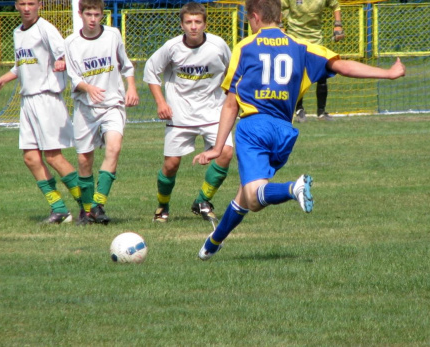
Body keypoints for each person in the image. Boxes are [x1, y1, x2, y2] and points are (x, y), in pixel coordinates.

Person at [192, 0, 405, 260]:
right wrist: (388, 73)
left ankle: (294, 188)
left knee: (255, 198)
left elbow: (230, 103)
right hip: (284, 132)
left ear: (255, 17)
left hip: (254, 128)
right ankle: (211, 245)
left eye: (249, 20)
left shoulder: (245, 47)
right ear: (281, 16)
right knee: (245, 196)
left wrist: (217, 147)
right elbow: (343, 66)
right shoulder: (302, 48)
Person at [0, 0, 82, 224]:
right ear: (16, 6)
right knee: (31, 158)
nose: (27, 7)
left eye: (31, 3)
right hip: (28, 100)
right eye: (22, 3)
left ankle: (88, 208)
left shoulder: (46, 28)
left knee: (53, 157)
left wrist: (61, 62)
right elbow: (22, 64)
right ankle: (59, 210)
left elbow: (66, 54)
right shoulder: (17, 32)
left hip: (47, 98)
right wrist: (2, 79)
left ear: (39, 4)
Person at [143, 2, 234, 224]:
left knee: (226, 153)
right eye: (189, 22)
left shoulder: (218, 46)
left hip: (213, 112)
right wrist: (161, 103)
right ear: (182, 24)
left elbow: (233, 73)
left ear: (205, 23)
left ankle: (202, 201)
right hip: (180, 114)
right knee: (171, 164)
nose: (193, 26)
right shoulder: (172, 47)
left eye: (198, 22)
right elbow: (151, 71)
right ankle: (162, 206)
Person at [64, 0, 139, 225]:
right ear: (81, 14)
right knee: (84, 160)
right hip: (85, 108)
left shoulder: (113, 35)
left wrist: (132, 87)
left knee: (114, 148)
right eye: (89, 14)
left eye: (97, 14)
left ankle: (97, 204)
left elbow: (126, 65)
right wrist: (88, 88)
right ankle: (87, 210)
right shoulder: (71, 42)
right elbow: (74, 77)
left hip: (113, 104)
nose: (93, 19)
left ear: (102, 15)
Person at [281, 0, 345, 122]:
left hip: (316, 41)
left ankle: (321, 112)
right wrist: (280, 26)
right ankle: (299, 110)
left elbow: (335, 5)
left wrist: (338, 25)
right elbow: (278, 7)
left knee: (322, 76)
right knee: (296, 76)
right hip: (295, 40)